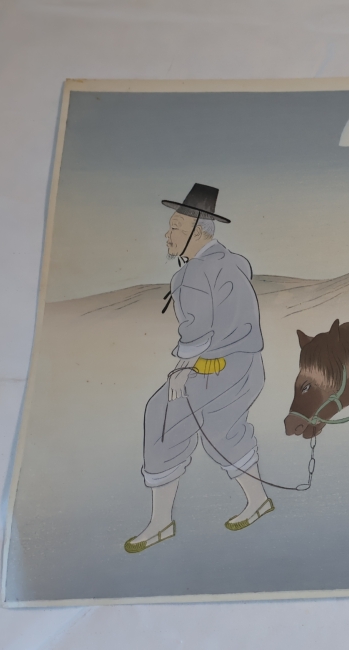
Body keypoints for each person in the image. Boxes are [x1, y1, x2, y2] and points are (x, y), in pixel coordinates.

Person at [124, 183, 272, 553]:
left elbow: (198, 331)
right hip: (247, 366)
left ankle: (161, 522)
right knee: (221, 428)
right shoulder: (233, 261)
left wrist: (182, 369)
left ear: (197, 231)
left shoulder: (192, 275)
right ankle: (258, 500)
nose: (167, 234)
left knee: (164, 417)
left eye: (175, 227)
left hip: (216, 369)